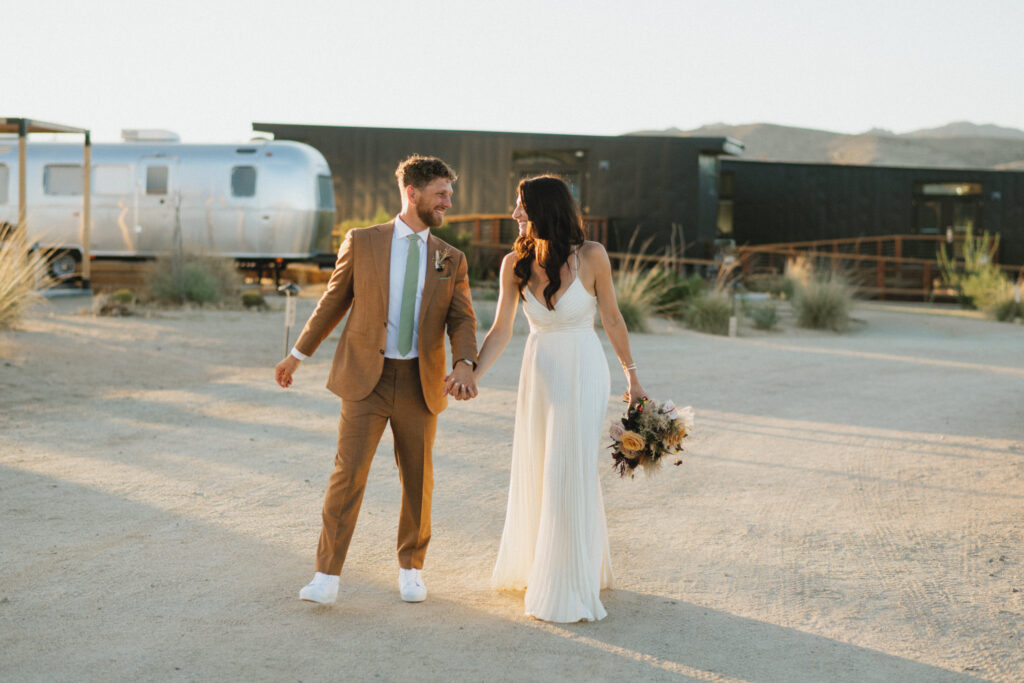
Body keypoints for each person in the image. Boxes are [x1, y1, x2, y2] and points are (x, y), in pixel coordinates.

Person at [275, 155, 478, 605]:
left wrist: (465, 363)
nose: (448, 201)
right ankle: (326, 576)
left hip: (419, 383)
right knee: (347, 475)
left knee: (418, 480)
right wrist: (296, 355)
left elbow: (462, 318)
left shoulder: (451, 258)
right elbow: (332, 301)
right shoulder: (362, 242)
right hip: (365, 378)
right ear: (413, 193)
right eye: (441, 193)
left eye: (449, 193)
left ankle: (412, 568)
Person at [471, 175, 646, 622]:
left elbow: (613, 318)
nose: (514, 215)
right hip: (540, 373)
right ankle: (547, 563)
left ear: (545, 208)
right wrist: (471, 373)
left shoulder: (592, 256)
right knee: (540, 465)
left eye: (521, 206)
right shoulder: (514, 262)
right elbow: (501, 330)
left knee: (567, 469)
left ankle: (567, 581)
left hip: (583, 371)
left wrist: (633, 378)